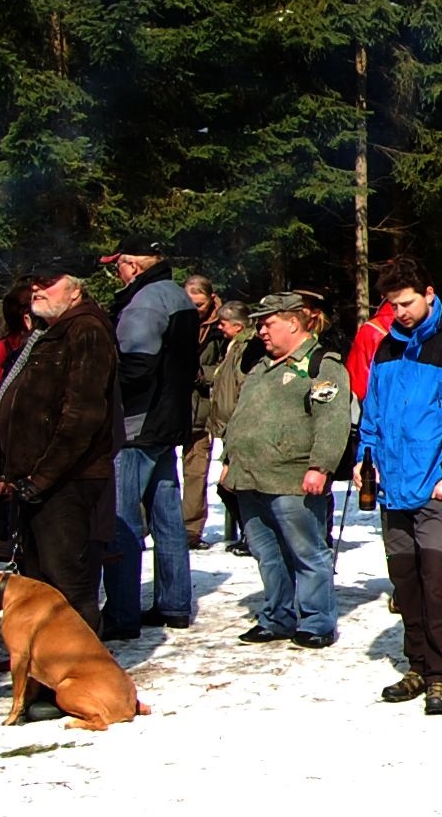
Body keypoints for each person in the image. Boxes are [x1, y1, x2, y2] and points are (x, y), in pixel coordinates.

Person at [360, 263, 442, 713]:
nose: (400, 312)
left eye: (407, 303)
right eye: (392, 305)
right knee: (406, 583)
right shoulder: (387, 347)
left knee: (437, 583)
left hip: (436, 489)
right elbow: (374, 412)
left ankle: (441, 675)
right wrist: (366, 459)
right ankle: (416, 665)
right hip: (393, 487)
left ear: (429, 293)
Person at [0, 269, 123, 626]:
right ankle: (48, 659)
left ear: (75, 291)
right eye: (34, 285)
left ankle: (82, 659)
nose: (38, 290)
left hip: (68, 481)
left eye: (48, 284)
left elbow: (82, 415)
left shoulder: (86, 330)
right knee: (40, 585)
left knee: (68, 588)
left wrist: (42, 478)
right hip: (38, 481)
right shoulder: (49, 332)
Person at [220, 293, 352, 648]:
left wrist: (320, 466)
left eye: (268, 323)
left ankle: (316, 621)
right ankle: (277, 616)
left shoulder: (322, 366)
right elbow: (242, 418)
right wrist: (229, 461)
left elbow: (332, 421)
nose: (261, 331)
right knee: (268, 554)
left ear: (293, 323)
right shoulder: (262, 367)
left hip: (292, 479)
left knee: (307, 553)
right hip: (251, 478)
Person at [102, 243, 203, 636]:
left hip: (137, 425)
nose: (116, 275)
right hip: (168, 420)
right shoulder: (178, 295)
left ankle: (121, 613)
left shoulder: (144, 302)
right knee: (167, 519)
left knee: (123, 520)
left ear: (132, 265)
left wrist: (102, 393)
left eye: (117, 266)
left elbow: (135, 367)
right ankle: (174, 603)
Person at [180, 281, 243, 550]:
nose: (194, 309)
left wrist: (201, 374)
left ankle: (190, 529)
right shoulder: (176, 320)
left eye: (199, 304)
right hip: (175, 405)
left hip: (204, 406)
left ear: (211, 298)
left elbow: (229, 367)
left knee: (196, 471)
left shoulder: (223, 329)